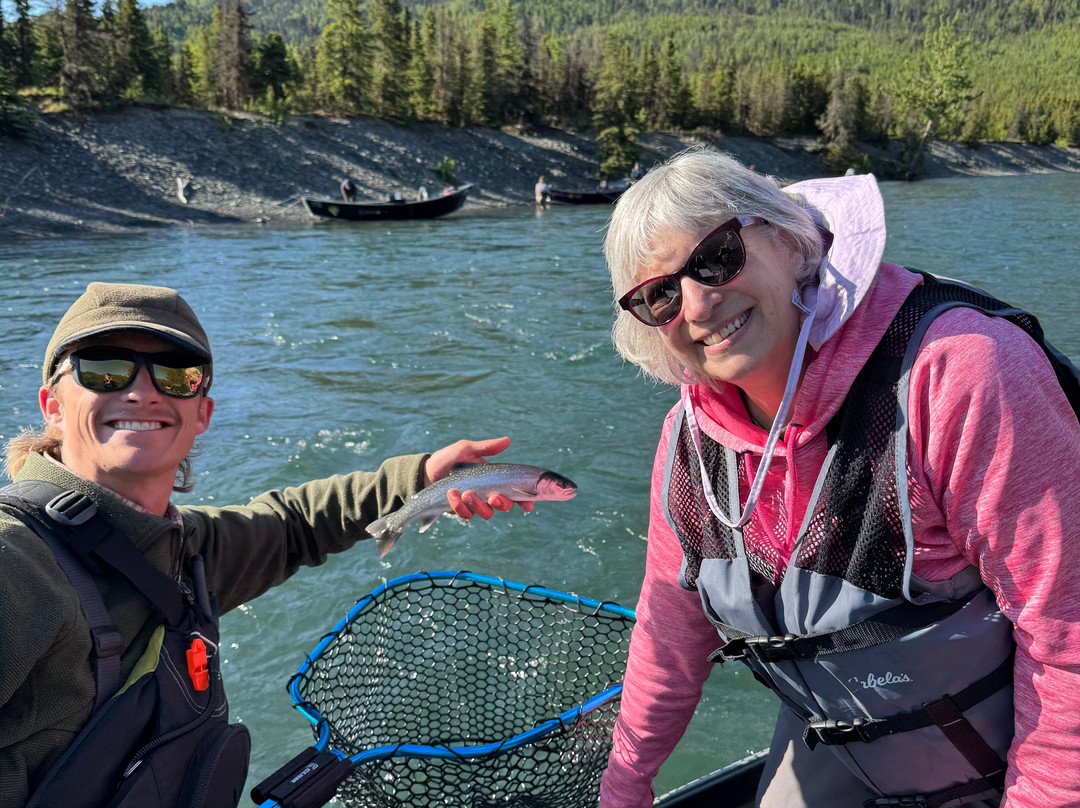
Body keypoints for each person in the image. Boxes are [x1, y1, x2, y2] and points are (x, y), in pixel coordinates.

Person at [599, 149, 1080, 807]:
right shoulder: (688, 446)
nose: (699, 304)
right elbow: (668, 639)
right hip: (844, 736)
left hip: (1018, 761)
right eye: (660, 296)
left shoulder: (960, 373)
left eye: (716, 258)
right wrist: (623, 789)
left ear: (789, 238)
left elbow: (1067, 636)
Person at [0, 282, 533, 808]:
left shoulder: (177, 547)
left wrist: (419, 480)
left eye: (176, 375)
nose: (142, 391)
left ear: (202, 413)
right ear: (53, 406)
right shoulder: (17, 560)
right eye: (104, 370)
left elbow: (291, 525)